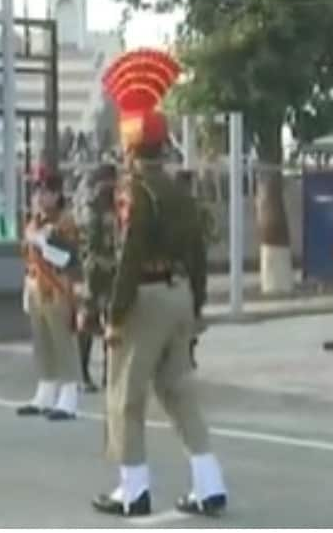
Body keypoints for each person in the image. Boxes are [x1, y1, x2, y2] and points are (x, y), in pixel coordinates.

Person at [91, 49, 227, 518]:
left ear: (129, 145)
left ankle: (133, 489)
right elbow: (197, 253)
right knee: (178, 391)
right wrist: (199, 306)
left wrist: (115, 311)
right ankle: (209, 483)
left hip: (145, 298)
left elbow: (129, 255)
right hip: (181, 295)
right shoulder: (180, 189)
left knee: (125, 395)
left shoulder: (135, 190)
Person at [17, 168, 83, 421]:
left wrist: (44, 243)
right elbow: (27, 256)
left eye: (45, 191)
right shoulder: (35, 221)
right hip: (36, 287)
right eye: (36, 190)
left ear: (57, 195)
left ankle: (69, 395)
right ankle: (46, 389)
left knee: (62, 340)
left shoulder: (65, 222)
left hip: (57, 286)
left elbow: (67, 258)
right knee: (42, 341)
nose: (39, 196)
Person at [75, 162, 118, 392]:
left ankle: (108, 375)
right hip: (94, 272)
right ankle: (82, 373)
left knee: (112, 321)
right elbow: (90, 245)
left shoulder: (115, 205)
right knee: (88, 322)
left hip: (111, 271)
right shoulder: (92, 208)